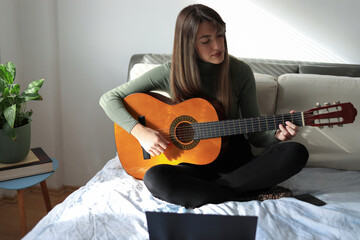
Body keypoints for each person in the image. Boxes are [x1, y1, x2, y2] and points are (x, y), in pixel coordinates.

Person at [100, 4, 308, 208]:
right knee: (155, 178)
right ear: (188, 44)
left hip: (236, 163)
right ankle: (246, 193)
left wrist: (276, 136)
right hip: (192, 166)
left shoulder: (240, 72)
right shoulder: (169, 72)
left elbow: (256, 137)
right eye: (206, 41)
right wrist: (140, 132)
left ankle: (209, 192)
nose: (218, 46)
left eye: (220, 35)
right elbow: (109, 99)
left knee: (295, 152)